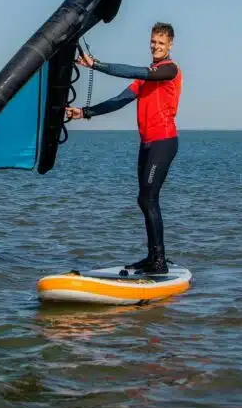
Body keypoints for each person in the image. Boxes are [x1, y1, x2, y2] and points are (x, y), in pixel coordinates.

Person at [66, 22, 182, 275]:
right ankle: (153, 256)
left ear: (170, 45)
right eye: (153, 41)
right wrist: (85, 112)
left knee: (148, 198)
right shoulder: (145, 79)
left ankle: (159, 261)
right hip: (147, 143)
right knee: (144, 199)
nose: (156, 46)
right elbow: (119, 101)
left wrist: (96, 65)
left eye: (161, 42)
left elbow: (135, 71)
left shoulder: (169, 70)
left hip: (164, 141)